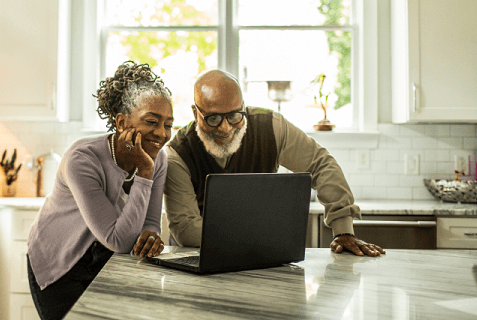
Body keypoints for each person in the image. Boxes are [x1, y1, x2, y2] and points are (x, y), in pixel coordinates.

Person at [164, 69, 385, 257]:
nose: (225, 128)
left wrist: (343, 230)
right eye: (213, 118)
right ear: (195, 113)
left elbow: (320, 164)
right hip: (195, 257)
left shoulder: (272, 127)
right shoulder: (177, 154)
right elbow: (186, 229)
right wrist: (266, 234)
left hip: (260, 255)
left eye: (234, 115)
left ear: (244, 106)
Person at [27, 61, 174, 320]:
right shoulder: (82, 159)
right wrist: (144, 172)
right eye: (152, 121)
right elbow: (119, 240)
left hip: (106, 260)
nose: (162, 134)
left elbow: (150, 223)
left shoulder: (157, 158)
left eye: (168, 124)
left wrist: (151, 236)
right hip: (60, 261)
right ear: (121, 122)